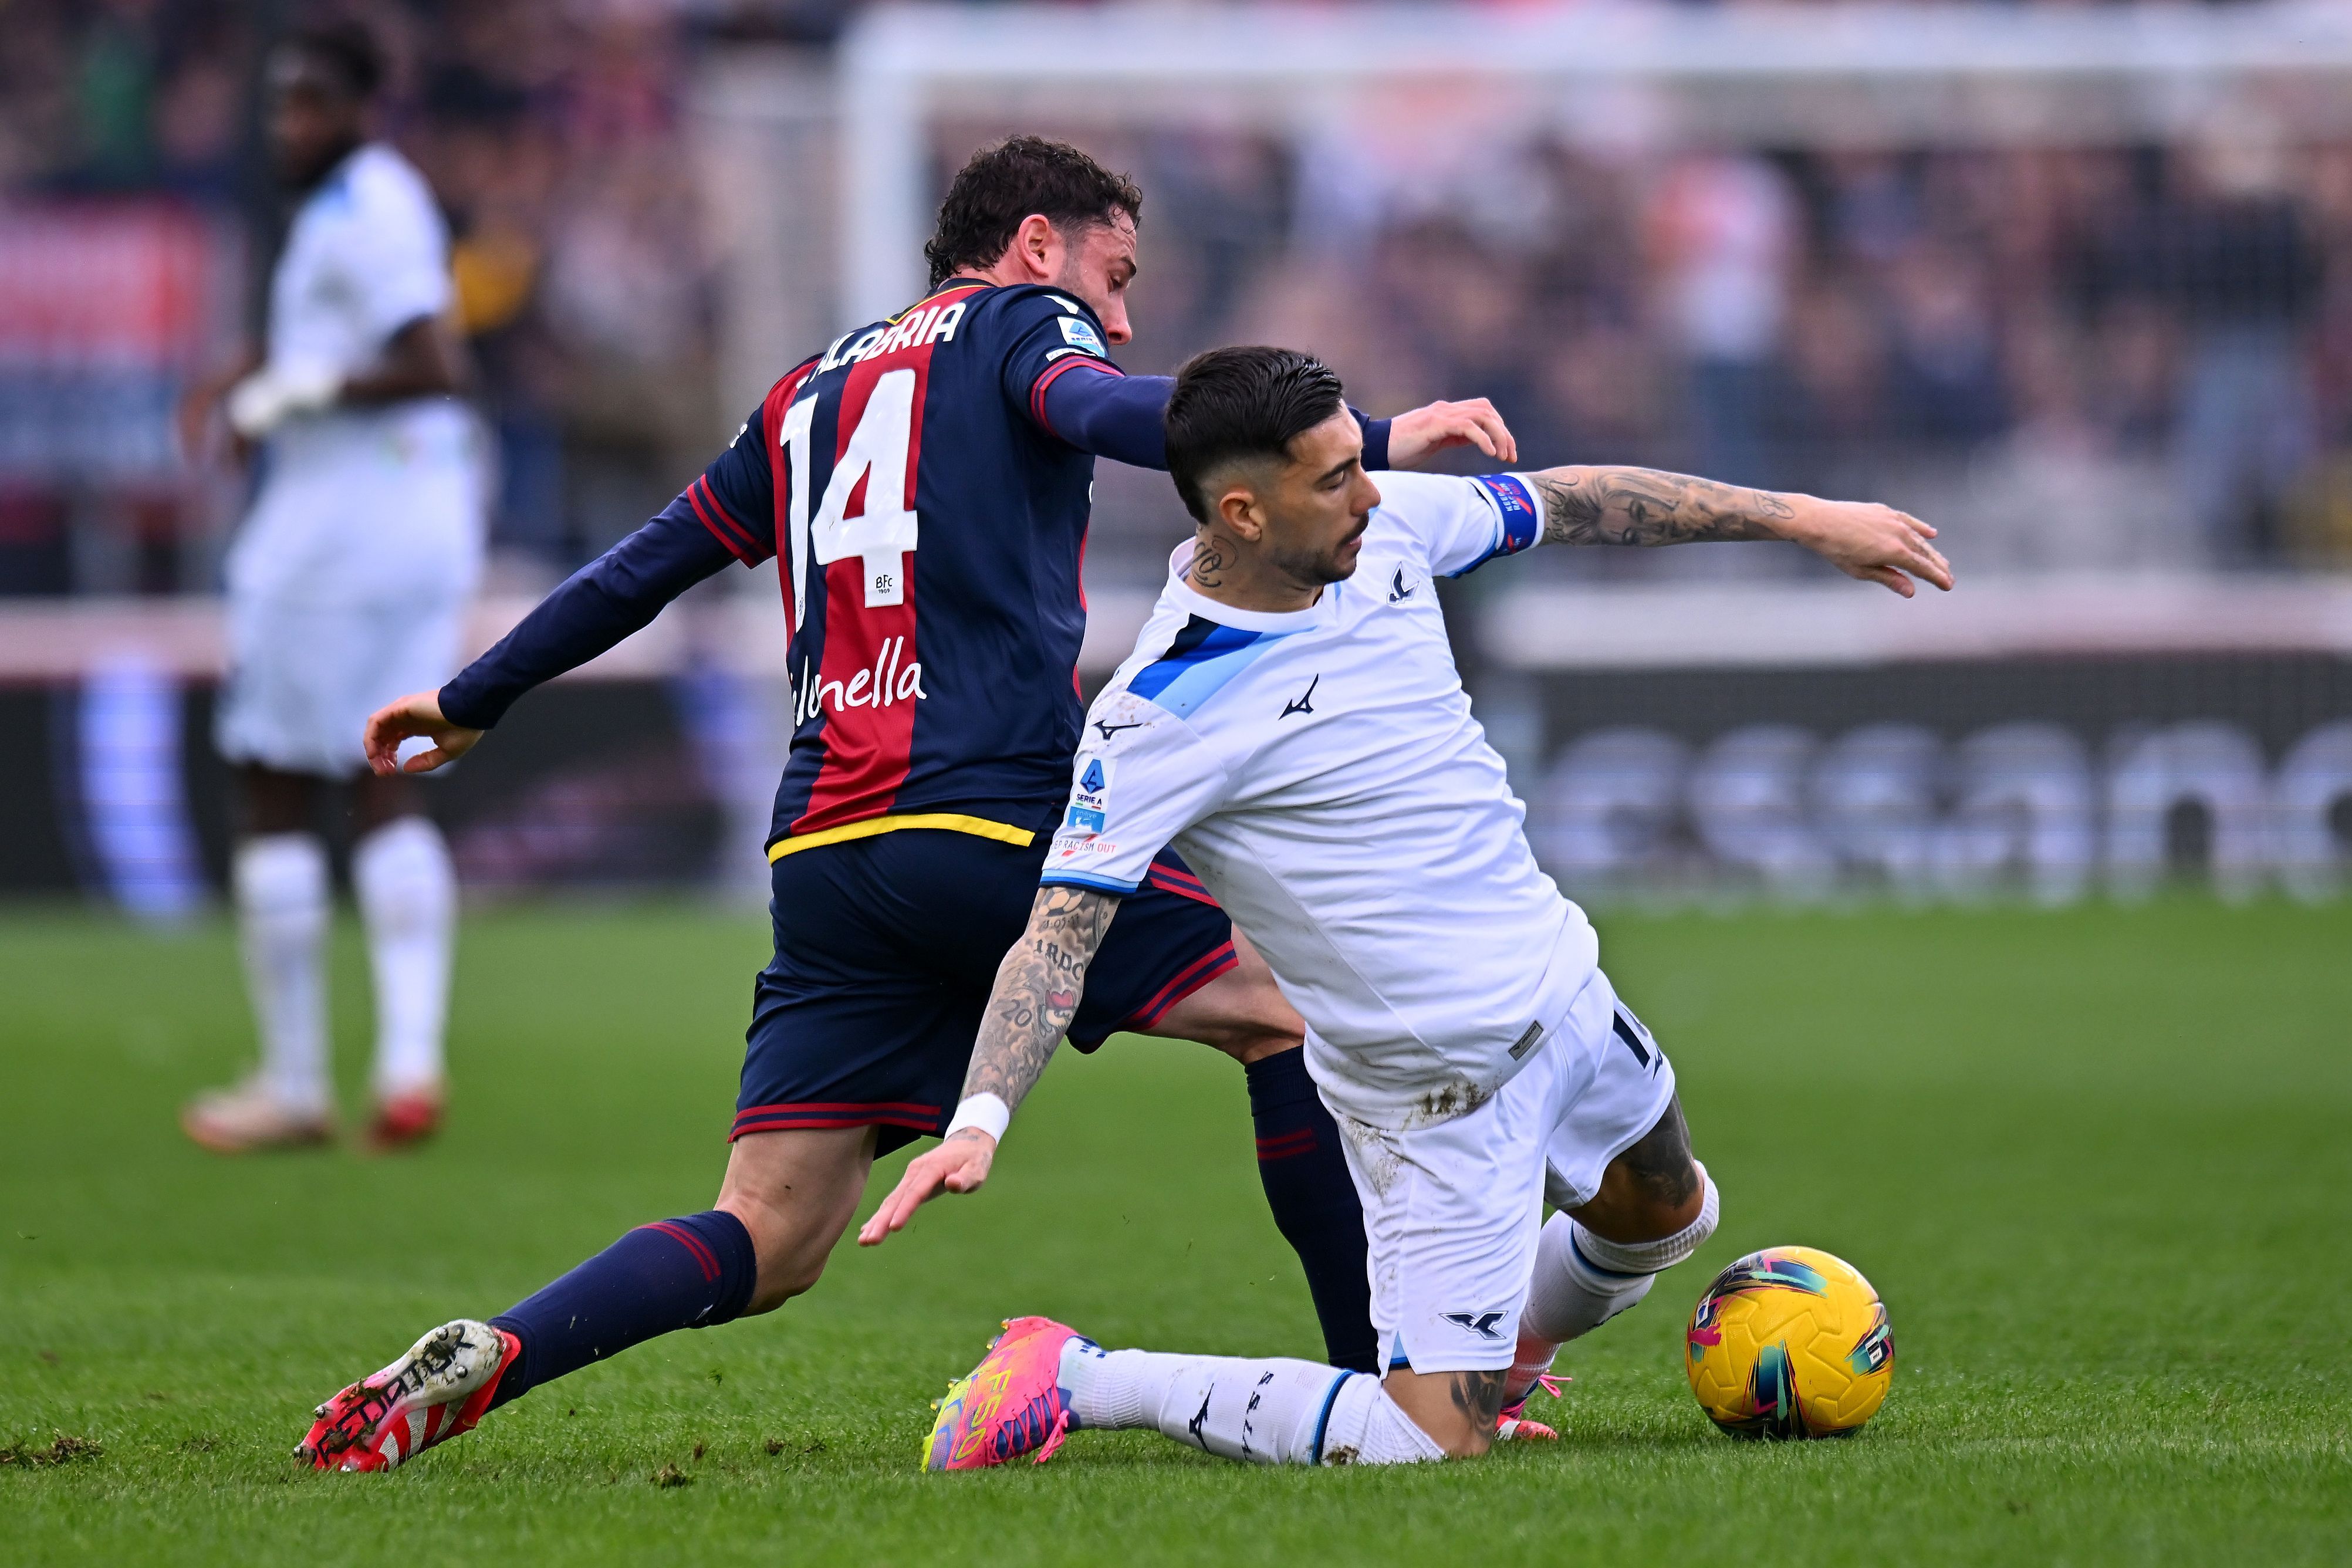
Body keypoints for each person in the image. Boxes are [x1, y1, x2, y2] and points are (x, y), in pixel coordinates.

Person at [298, 139, 1519, 1471]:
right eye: (1115, 277)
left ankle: (505, 1348)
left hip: (829, 846)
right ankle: (1382, 1398)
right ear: (1038, 242)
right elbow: (1110, 415)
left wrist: (476, 693)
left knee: (768, 1235)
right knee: (1284, 1021)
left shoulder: (805, 391)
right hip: (989, 811)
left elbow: (647, 563)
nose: (1118, 319)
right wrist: (1370, 444)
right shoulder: (1020, 323)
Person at [861, 345, 1952, 1469]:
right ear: (1241, 510)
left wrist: (1804, 518)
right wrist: (980, 1120)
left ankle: (1498, 1359)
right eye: (1335, 477)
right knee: (1427, 1447)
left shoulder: (1383, 532)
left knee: (1668, 1213)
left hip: (1563, 989)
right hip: (1434, 1095)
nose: (1371, 490)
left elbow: (1576, 501)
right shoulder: (1159, 713)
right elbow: (1058, 939)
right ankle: (1077, 1375)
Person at [178, 21, 482, 1156]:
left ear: (361, 108)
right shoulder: (367, 205)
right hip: (415, 530)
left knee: (272, 779)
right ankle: (409, 1063)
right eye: (279, 105)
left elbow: (433, 361)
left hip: (333, 544)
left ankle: (298, 1081)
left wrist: (298, 390)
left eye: (309, 104)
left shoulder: (368, 205)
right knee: (384, 774)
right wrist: (256, 367)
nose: (287, 127)